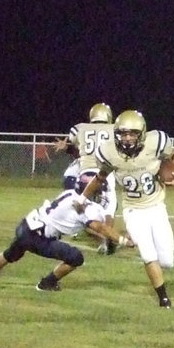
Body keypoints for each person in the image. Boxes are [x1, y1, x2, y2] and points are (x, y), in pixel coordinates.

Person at [81, 110, 174, 308]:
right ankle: (163, 298)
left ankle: (153, 264)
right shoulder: (108, 152)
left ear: (142, 133)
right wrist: (82, 197)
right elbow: (100, 177)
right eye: (123, 133)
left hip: (156, 207)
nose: (127, 138)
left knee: (167, 261)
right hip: (133, 210)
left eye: (133, 134)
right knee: (147, 253)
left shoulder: (157, 142)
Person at [0, 173, 134, 291]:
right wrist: (123, 240)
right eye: (98, 190)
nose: (100, 193)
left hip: (26, 226)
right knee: (75, 257)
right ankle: (47, 283)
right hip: (39, 237)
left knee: (12, 252)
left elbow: (90, 227)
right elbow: (98, 227)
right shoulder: (87, 207)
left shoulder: (69, 193)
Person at [56, 103, 119, 251]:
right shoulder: (115, 129)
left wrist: (66, 147)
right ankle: (106, 238)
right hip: (105, 171)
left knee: (80, 206)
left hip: (84, 172)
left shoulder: (80, 128)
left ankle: (59, 229)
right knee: (110, 206)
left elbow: (74, 148)